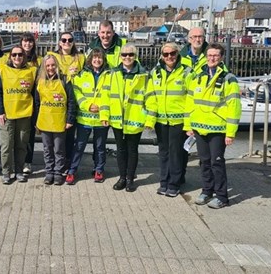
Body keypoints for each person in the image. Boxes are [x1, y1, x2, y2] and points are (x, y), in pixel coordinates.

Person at [185, 43, 241, 209]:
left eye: (216, 55)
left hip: (217, 129)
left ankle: (222, 196)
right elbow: (190, 101)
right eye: (209, 55)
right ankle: (207, 191)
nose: (212, 58)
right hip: (199, 127)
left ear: (221, 57)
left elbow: (234, 107)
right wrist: (188, 125)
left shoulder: (228, 79)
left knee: (217, 162)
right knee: (204, 162)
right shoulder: (198, 76)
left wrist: (230, 133)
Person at [145, 42, 192, 197]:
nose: (169, 57)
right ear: (161, 56)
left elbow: (191, 99)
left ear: (177, 54)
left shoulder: (186, 72)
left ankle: (174, 184)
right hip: (161, 121)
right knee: (163, 153)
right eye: (166, 54)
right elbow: (151, 97)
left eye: (172, 53)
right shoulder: (155, 72)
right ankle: (164, 182)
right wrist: (150, 120)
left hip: (179, 122)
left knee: (176, 153)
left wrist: (188, 123)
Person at [100, 43, 148, 192]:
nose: (127, 57)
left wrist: (148, 119)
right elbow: (105, 96)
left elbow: (150, 99)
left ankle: (130, 178)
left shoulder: (144, 75)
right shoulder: (113, 74)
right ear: (120, 57)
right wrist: (104, 114)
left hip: (135, 119)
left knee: (132, 149)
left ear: (135, 56)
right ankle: (122, 177)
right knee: (120, 150)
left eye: (131, 55)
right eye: (124, 55)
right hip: (117, 119)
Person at [66, 48, 111, 185]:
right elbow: (77, 93)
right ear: (90, 59)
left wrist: (101, 109)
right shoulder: (81, 75)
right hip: (84, 118)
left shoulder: (110, 75)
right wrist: (87, 105)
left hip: (101, 118)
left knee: (100, 147)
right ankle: (72, 170)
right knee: (79, 146)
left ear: (103, 60)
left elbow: (110, 95)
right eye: (94, 57)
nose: (97, 60)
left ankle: (99, 170)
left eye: (100, 58)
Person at [0, 45, 37, 184]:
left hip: (24, 114)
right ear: (10, 57)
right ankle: (6, 172)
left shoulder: (32, 71)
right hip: (7, 115)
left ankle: (19, 171)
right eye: (14, 55)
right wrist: (0, 111)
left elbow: (35, 94)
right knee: (6, 145)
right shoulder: (3, 70)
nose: (17, 57)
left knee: (21, 145)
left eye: (20, 55)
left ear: (24, 56)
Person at [33, 55, 76, 185]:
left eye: (53, 65)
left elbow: (71, 102)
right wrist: (36, 121)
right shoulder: (40, 81)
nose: (50, 68)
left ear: (57, 66)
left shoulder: (64, 80)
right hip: (44, 120)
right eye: (48, 66)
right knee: (47, 149)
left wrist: (70, 119)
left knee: (59, 149)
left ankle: (58, 172)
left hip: (59, 121)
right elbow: (37, 103)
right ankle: (49, 172)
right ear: (44, 67)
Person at [48, 31, 86, 172]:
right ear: (59, 42)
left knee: (70, 135)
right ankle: (54, 164)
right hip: (56, 101)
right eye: (64, 40)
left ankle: (68, 164)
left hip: (75, 100)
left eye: (70, 40)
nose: (67, 43)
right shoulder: (53, 56)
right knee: (55, 136)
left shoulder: (80, 57)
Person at [17, 32, 42, 175]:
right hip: (19, 99)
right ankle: (16, 161)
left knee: (30, 134)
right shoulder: (16, 57)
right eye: (25, 42)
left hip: (34, 98)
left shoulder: (38, 60)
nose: (28, 44)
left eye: (30, 42)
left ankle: (28, 161)